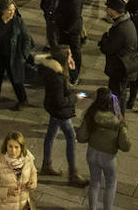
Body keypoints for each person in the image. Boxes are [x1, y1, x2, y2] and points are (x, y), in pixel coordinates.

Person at [37, 44, 87, 186]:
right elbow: (61, 101)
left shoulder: (54, 69)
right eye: (70, 55)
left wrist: (72, 69)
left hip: (53, 109)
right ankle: (73, 174)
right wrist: (77, 97)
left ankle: (46, 165)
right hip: (60, 112)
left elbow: (69, 82)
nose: (72, 57)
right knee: (71, 137)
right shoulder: (56, 77)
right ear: (63, 59)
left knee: (51, 133)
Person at [76, 86, 130, 210]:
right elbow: (126, 146)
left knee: (94, 183)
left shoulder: (90, 116)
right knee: (111, 184)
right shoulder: (118, 122)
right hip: (109, 158)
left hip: (92, 153)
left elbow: (81, 137)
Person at [0, 0, 31, 118]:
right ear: (3, 10)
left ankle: (23, 100)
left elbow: (27, 38)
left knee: (17, 81)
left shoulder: (18, 22)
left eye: (13, 10)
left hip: (13, 57)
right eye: (9, 10)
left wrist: (23, 55)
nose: (12, 12)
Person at [98, 0, 138, 107]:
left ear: (113, 10)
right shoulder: (125, 22)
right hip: (122, 66)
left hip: (120, 68)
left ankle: (118, 120)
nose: (106, 10)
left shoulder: (121, 29)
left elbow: (108, 49)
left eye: (108, 8)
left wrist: (104, 39)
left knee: (117, 95)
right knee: (118, 94)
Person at [0, 131, 38, 210]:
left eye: (16, 147)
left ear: (21, 147)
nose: (13, 151)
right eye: (10, 146)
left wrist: (33, 182)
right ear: (6, 146)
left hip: (24, 205)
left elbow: (33, 172)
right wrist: (6, 192)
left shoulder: (27, 158)